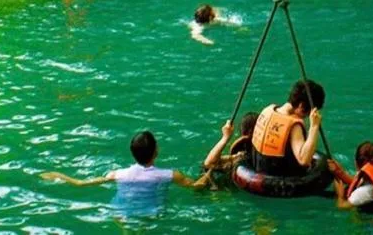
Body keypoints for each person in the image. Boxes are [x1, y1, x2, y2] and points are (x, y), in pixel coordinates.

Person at [40, 131, 209, 217]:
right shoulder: (170, 175)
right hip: (150, 213)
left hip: (120, 212)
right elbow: (196, 186)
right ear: (156, 151)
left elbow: (80, 183)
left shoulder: (117, 174)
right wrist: (209, 173)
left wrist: (58, 175)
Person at [250, 80, 325, 177]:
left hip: (257, 169)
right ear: (301, 106)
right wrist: (314, 127)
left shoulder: (268, 109)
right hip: (279, 179)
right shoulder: (294, 126)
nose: (306, 117)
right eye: (308, 113)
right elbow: (304, 160)